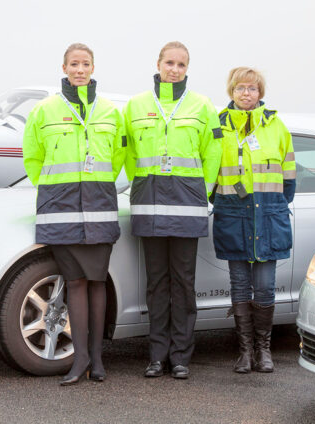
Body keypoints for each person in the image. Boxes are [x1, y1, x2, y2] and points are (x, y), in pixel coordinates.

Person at [23, 43, 125, 385]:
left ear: (93, 68)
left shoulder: (111, 111)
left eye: (85, 64)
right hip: (60, 208)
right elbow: (32, 157)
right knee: (75, 282)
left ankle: (97, 358)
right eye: (74, 64)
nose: (79, 70)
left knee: (97, 281)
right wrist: (53, 186)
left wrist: (96, 185)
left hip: (98, 206)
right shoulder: (45, 109)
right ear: (64, 67)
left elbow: (119, 156)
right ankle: (79, 357)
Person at [123, 41, 222, 379]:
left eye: (180, 64)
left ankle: (180, 356)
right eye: (169, 62)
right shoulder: (136, 105)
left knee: (183, 284)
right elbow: (129, 153)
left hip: (186, 205)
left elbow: (213, 152)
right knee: (156, 284)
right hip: (149, 203)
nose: (174, 69)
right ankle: (156, 355)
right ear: (158, 63)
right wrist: (139, 184)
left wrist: (202, 190)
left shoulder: (202, 105)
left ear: (187, 68)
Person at [212, 67, 296, 373]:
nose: (246, 94)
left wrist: (273, 205)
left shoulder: (277, 127)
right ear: (231, 92)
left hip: (269, 216)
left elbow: (289, 180)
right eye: (240, 88)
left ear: (260, 93)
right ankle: (245, 352)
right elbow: (212, 175)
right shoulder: (218, 126)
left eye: (252, 88)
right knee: (239, 286)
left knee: (264, 288)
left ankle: (264, 350)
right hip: (234, 216)